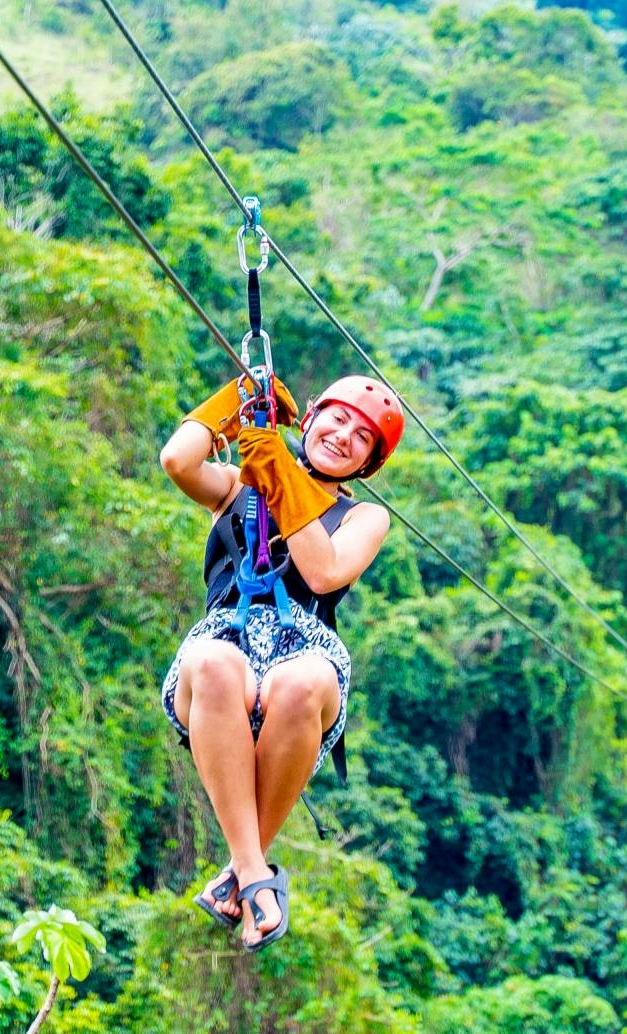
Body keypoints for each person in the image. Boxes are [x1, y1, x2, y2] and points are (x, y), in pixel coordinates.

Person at [156, 372, 404, 951]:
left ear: (368, 463)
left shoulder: (366, 518)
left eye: (362, 437)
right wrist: (239, 402)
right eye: (338, 419)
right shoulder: (241, 484)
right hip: (229, 640)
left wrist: (281, 472)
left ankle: (244, 873)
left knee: (301, 682)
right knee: (215, 663)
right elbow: (177, 460)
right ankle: (254, 877)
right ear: (311, 417)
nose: (344, 436)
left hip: (304, 648)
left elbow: (321, 572)